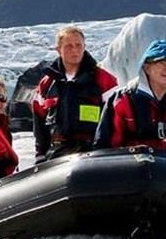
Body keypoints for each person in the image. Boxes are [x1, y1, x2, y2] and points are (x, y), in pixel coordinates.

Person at [31, 24, 118, 162]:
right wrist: (40, 155)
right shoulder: (47, 84)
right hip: (57, 155)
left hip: (95, 154)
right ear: (58, 50)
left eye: (78, 45)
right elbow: (39, 124)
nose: (75, 50)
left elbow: (116, 118)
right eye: (69, 46)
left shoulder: (104, 80)